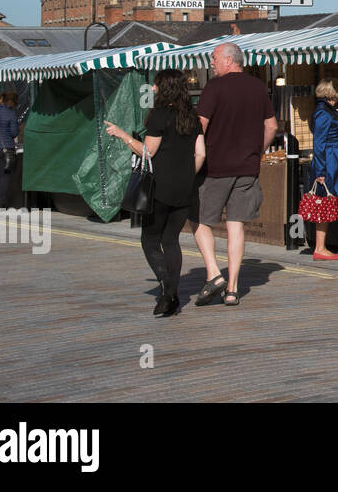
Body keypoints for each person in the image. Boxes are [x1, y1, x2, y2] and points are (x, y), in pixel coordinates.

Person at [105, 70, 206, 317]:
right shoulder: (192, 116)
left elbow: (147, 152)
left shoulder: (159, 116)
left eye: (156, 85)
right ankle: (171, 295)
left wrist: (123, 135)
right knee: (171, 240)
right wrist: (185, 176)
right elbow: (201, 153)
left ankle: (168, 289)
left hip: (159, 188)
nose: (152, 89)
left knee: (150, 240)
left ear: (165, 88)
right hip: (185, 188)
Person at [194, 42, 276, 306]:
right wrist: (258, 151)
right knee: (236, 226)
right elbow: (272, 126)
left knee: (199, 220)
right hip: (247, 168)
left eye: (215, 58)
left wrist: (196, 156)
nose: (211, 63)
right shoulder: (258, 87)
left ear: (230, 60)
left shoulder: (214, 87)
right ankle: (232, 288)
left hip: (216, 168)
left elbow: (200, 125)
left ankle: (214, 273)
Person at [309, 79, 338, 261]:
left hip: (335, 158)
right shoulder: (323, 112)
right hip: (330, 160)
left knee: (329, 200)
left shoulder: (328, 111)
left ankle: (321, 246)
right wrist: (320, 171)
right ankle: (320, 247)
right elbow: (319, 143)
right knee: (325, 201)